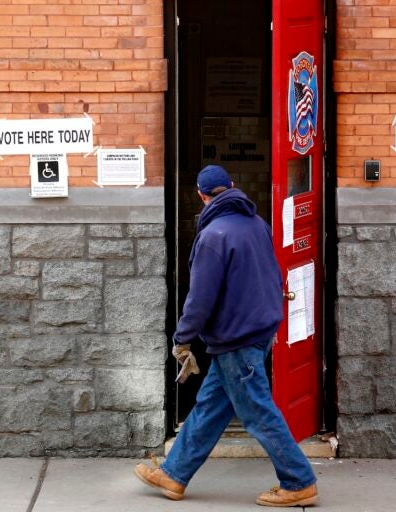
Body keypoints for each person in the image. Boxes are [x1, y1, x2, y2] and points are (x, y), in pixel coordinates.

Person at [134, 165, 318, 507]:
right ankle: (175, 475)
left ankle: (299, 481)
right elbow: (273, 275)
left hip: (236, 338)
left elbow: (200, 299)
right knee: (210, 408)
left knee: (259, 412)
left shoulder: (213, 236)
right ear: (232, 187)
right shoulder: (257, 225)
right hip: (257, 331)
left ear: (201, 196)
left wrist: (182, 338)